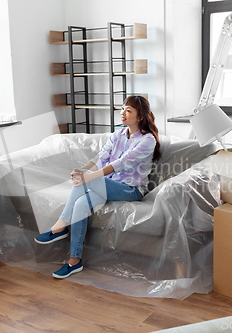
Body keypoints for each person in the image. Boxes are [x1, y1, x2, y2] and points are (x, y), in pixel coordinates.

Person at [34, 95, 162, 279]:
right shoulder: (117, 135)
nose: (123, 113)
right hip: (108, 185)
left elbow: (121, 163)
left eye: (129, 110)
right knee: (80, 205)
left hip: (130, 189)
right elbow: (101, 157)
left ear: (140, 116)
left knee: (85, 181)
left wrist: (88, 178)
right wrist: (82, 170)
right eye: (122, 109)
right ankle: (74, 261)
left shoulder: (147, 140)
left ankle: (60, 226)